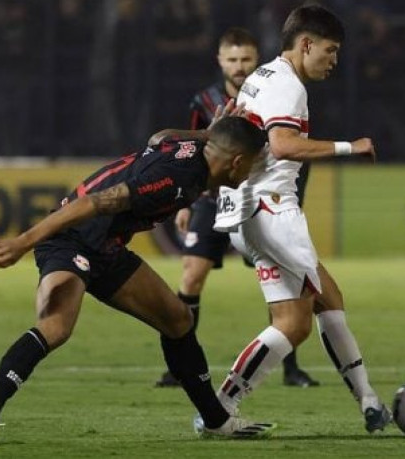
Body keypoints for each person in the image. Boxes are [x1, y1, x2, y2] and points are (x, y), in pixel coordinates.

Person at [0, 112, 276, 447]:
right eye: (252, 163)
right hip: (71, 238)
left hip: (107, 247)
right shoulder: (175, 180)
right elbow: (96, 201)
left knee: (178, 319)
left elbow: (158, 137)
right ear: (236, 161)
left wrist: (205, 133)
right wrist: (23, 241)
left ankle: (215, 421)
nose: (253, 170)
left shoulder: (191, 149)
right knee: (56, 326)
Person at [204, 5, 392, 434]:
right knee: (318, 308)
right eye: (330, 49)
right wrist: (352, 147)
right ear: (306, 44)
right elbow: (284, 146)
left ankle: (221, 408)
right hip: (272, 212)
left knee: (301, 318)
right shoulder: (288, 87)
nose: (334, 60)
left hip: (247, 211)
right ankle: (368, 401)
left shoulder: (261, 76)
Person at [155, 27, 318, 389]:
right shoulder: (204, 102)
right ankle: (180, 368)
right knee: (191, 276)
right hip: (212, 201)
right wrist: (188, 202)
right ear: (220, 61)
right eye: (232, 60)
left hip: (255, 201)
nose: (239, 67)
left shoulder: (271, 97)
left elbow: (288, 153)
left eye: (246, 59)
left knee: (282, 283)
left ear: (256, 58)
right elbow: (195, 152)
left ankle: (292, 369)